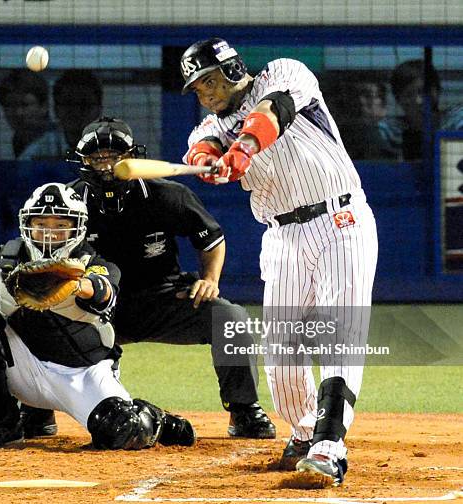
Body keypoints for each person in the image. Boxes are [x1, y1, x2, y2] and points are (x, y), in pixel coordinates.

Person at [180, 38, 378, 485]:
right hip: (282, 236)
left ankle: (330, 446)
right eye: (196, 87)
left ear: (233, 70)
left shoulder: (284, 73)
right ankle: (307, 432)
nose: (204, 93)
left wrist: (242, 151)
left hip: (339, 219)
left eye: (209, 80)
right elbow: (202, 146)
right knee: (281, 355)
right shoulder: (209, 124)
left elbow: (269, 115)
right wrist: (210, 161)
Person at [0, 182, 196, 450]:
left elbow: (103, 292)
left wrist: (73, 285)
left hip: (83, 373)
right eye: (41, 225)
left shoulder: (97, 264)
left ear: (77, 229)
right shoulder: (0, 261)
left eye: (60, 226)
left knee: (124, 431)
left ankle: (157, 420)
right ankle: (7, 424)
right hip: (24, 366)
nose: (49, 234)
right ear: (27, 225)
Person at [68, 116, 277, 440]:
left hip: (163, 300)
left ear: (133, 157)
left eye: (115, 157)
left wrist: (210, 279)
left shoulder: (166, 195)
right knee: (37, 319)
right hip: (97, 308)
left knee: (229, 318)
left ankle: (244, 410)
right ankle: (34, 415)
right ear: (84, 162)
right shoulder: (69, 203)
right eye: (98, 158)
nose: (107, 166)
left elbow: (211, 240)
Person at [379, 59, 463, 160]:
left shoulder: (455, 122)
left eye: (423, 92)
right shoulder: (392, 132)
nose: (418, 101)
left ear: (437, 91)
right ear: (398, 100)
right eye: (408, 95)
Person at [0, 69, 64, 160]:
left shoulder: (58, 143)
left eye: (25, 105)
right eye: (11, 105)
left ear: (44, 106)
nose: (18, 113)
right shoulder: (18, 140)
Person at [52, 69, 103, 152]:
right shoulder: (38, 151)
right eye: (69, 104)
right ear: (55, 110)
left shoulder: (115, 150)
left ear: (99, 109)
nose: (76, 112)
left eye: (84, 104)